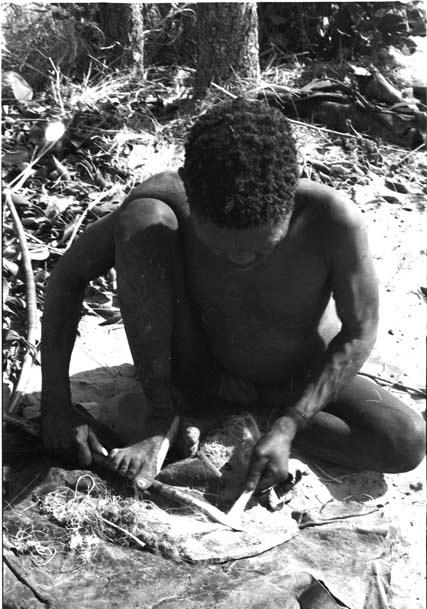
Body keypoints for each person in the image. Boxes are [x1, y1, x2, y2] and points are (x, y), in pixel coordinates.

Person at [41, 98, 425, 493]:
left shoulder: (331, 220)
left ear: (288, 201)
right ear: (191, 193)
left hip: (294, 379)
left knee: (405, 441)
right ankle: (163, 414)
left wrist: (290, 424)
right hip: (200, 373)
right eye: (222, 248)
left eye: (261, 248)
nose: (241, 257)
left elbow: (360, 331)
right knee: (141, 219)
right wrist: (56, 406)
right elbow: (67, 279)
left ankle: (237, 419)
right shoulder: (171, 197)